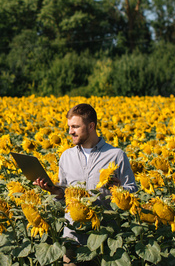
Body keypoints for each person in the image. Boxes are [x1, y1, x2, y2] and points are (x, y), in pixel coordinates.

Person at [34, 103, 138, 266]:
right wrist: (55, 191)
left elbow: (132, 189)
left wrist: (120, 191)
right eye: (69, 126)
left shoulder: (115, 155)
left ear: (91, 126)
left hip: (104, 239)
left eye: (75, 127)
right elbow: (64, 199)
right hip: (74, 239)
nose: (70, 132)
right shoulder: (66, 157)